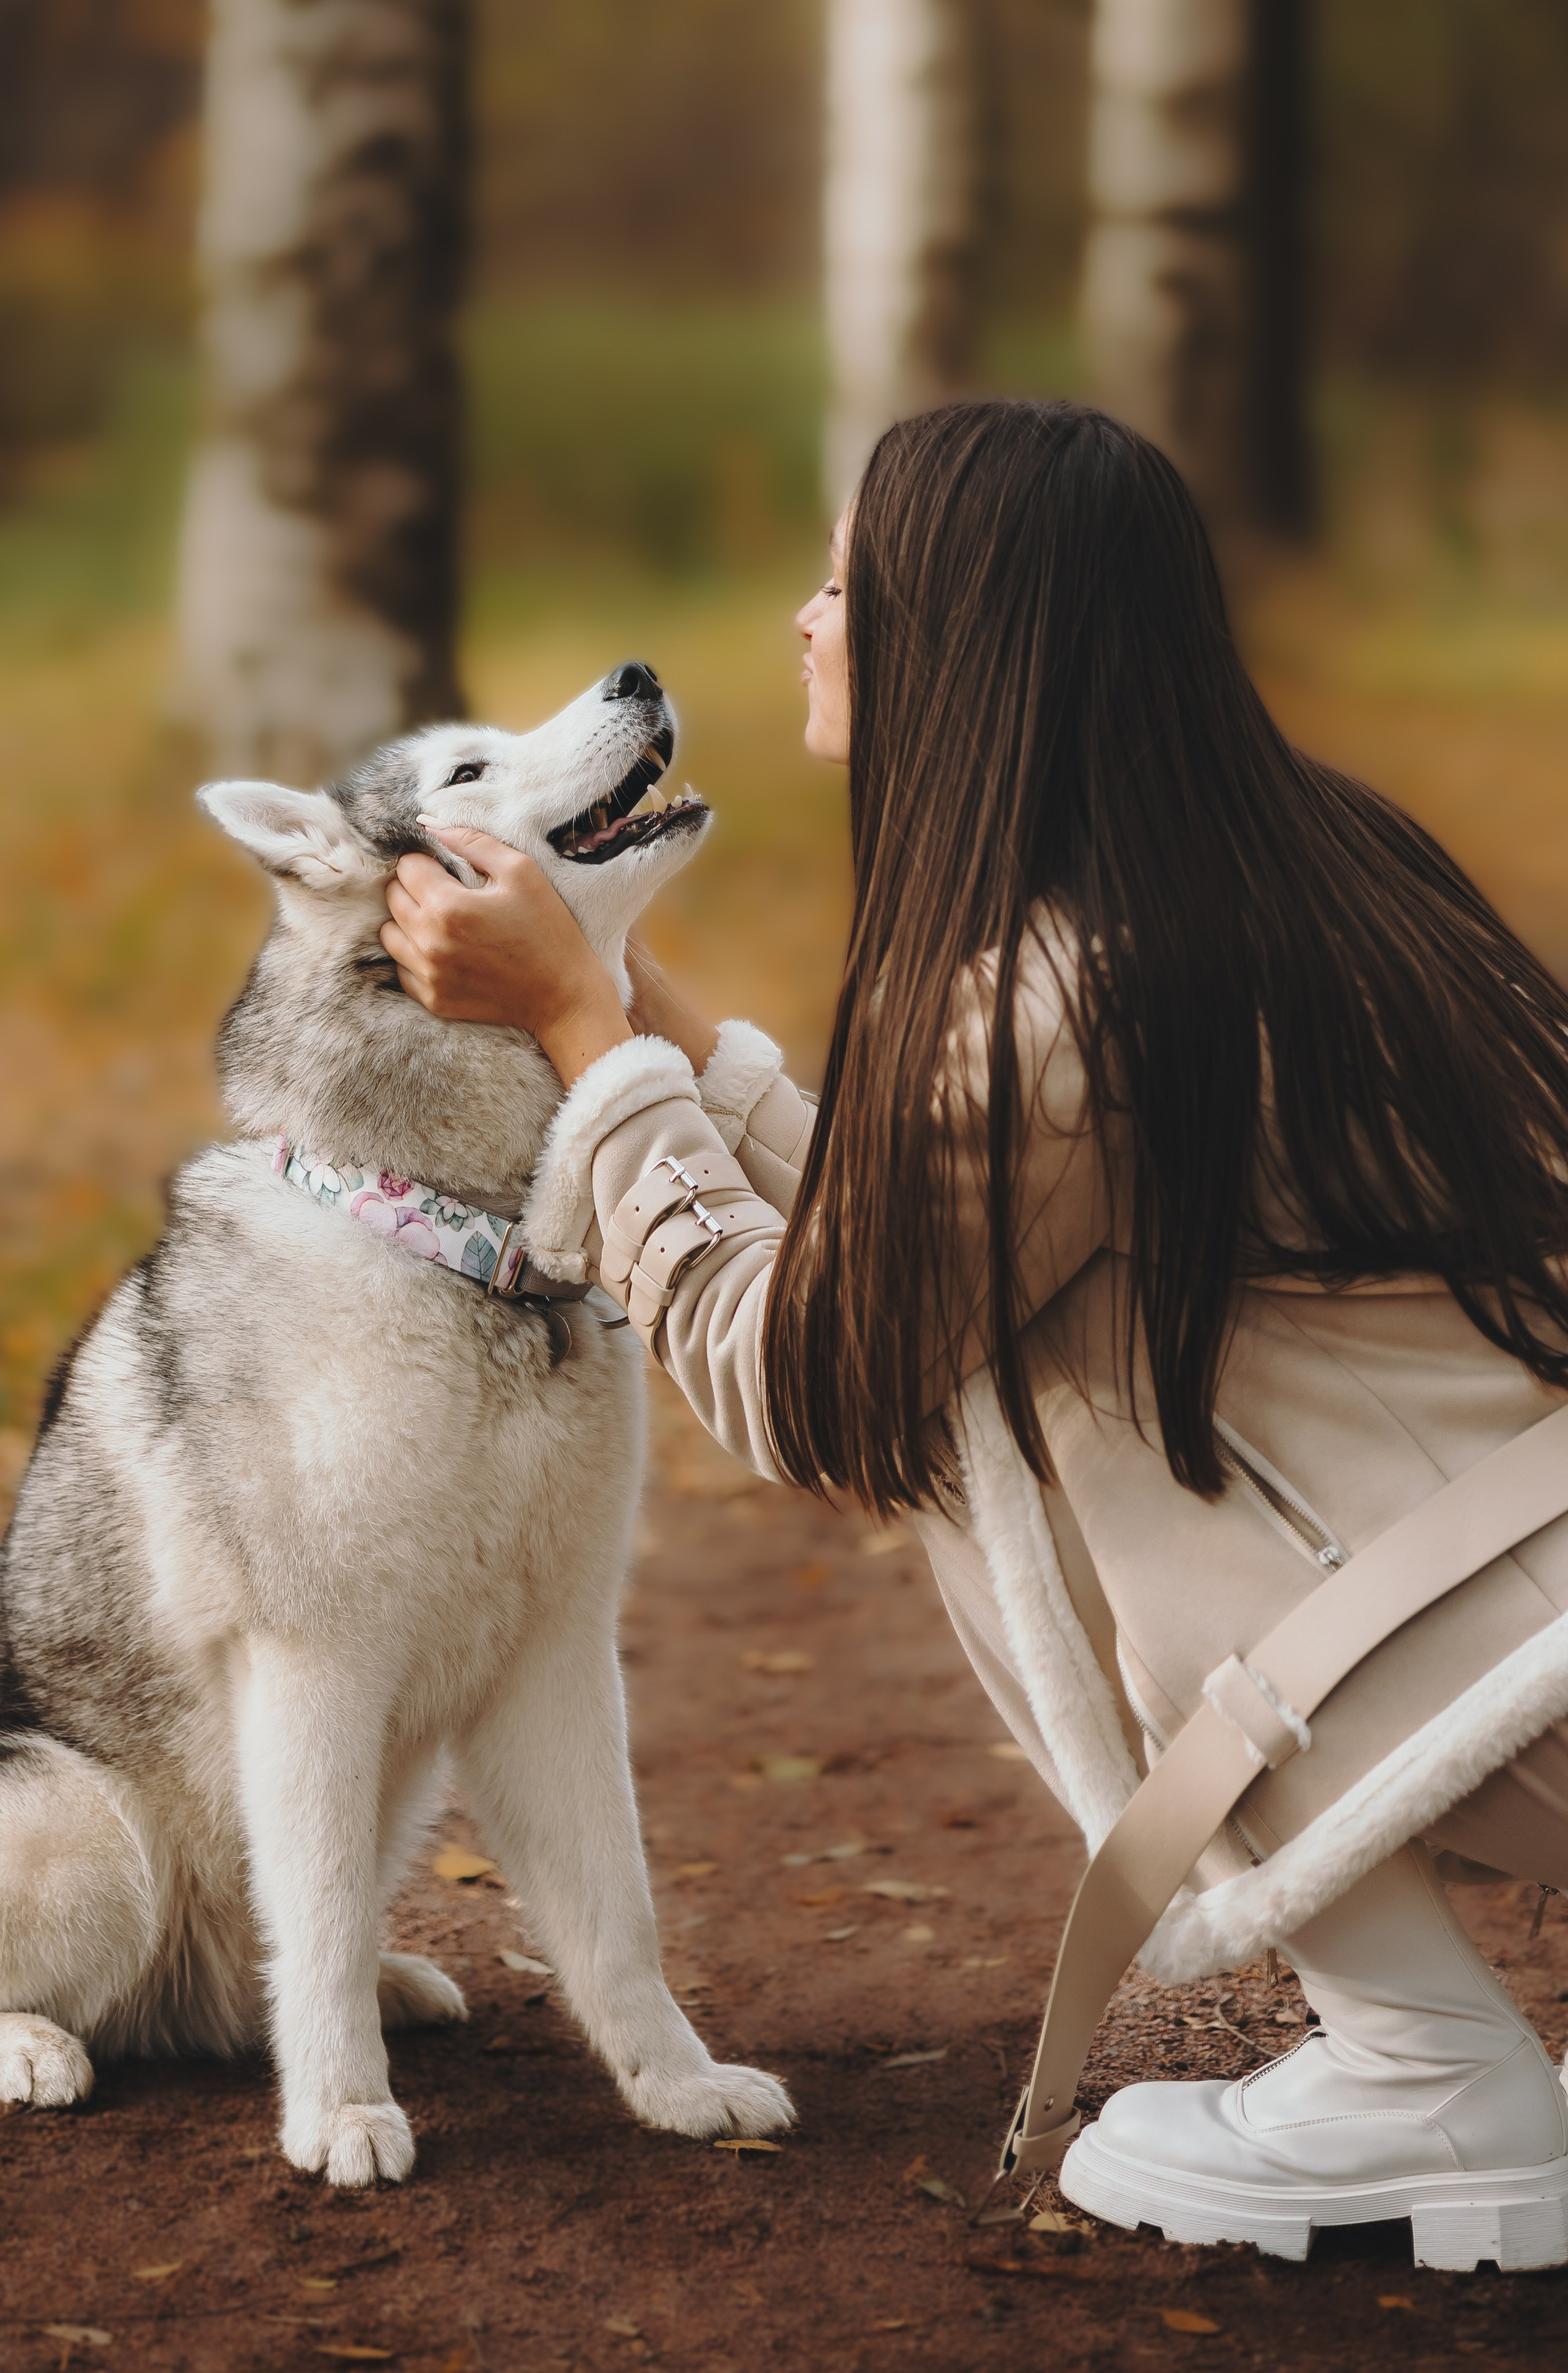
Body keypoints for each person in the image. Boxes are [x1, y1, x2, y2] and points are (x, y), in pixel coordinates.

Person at [380, 398, 1568, 2267]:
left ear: (968, 631)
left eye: (846, 583)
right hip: (1525, 1595)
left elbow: (813, 1372)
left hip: (1512, 1678)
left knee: (1014, 1421)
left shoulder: (1058, 1006)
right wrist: (628, 1008)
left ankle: (1430, 2073)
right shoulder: (1288, 870)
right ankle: (1426, 2058)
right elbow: (923, 1224)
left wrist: (580, 1047)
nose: (803, 616)